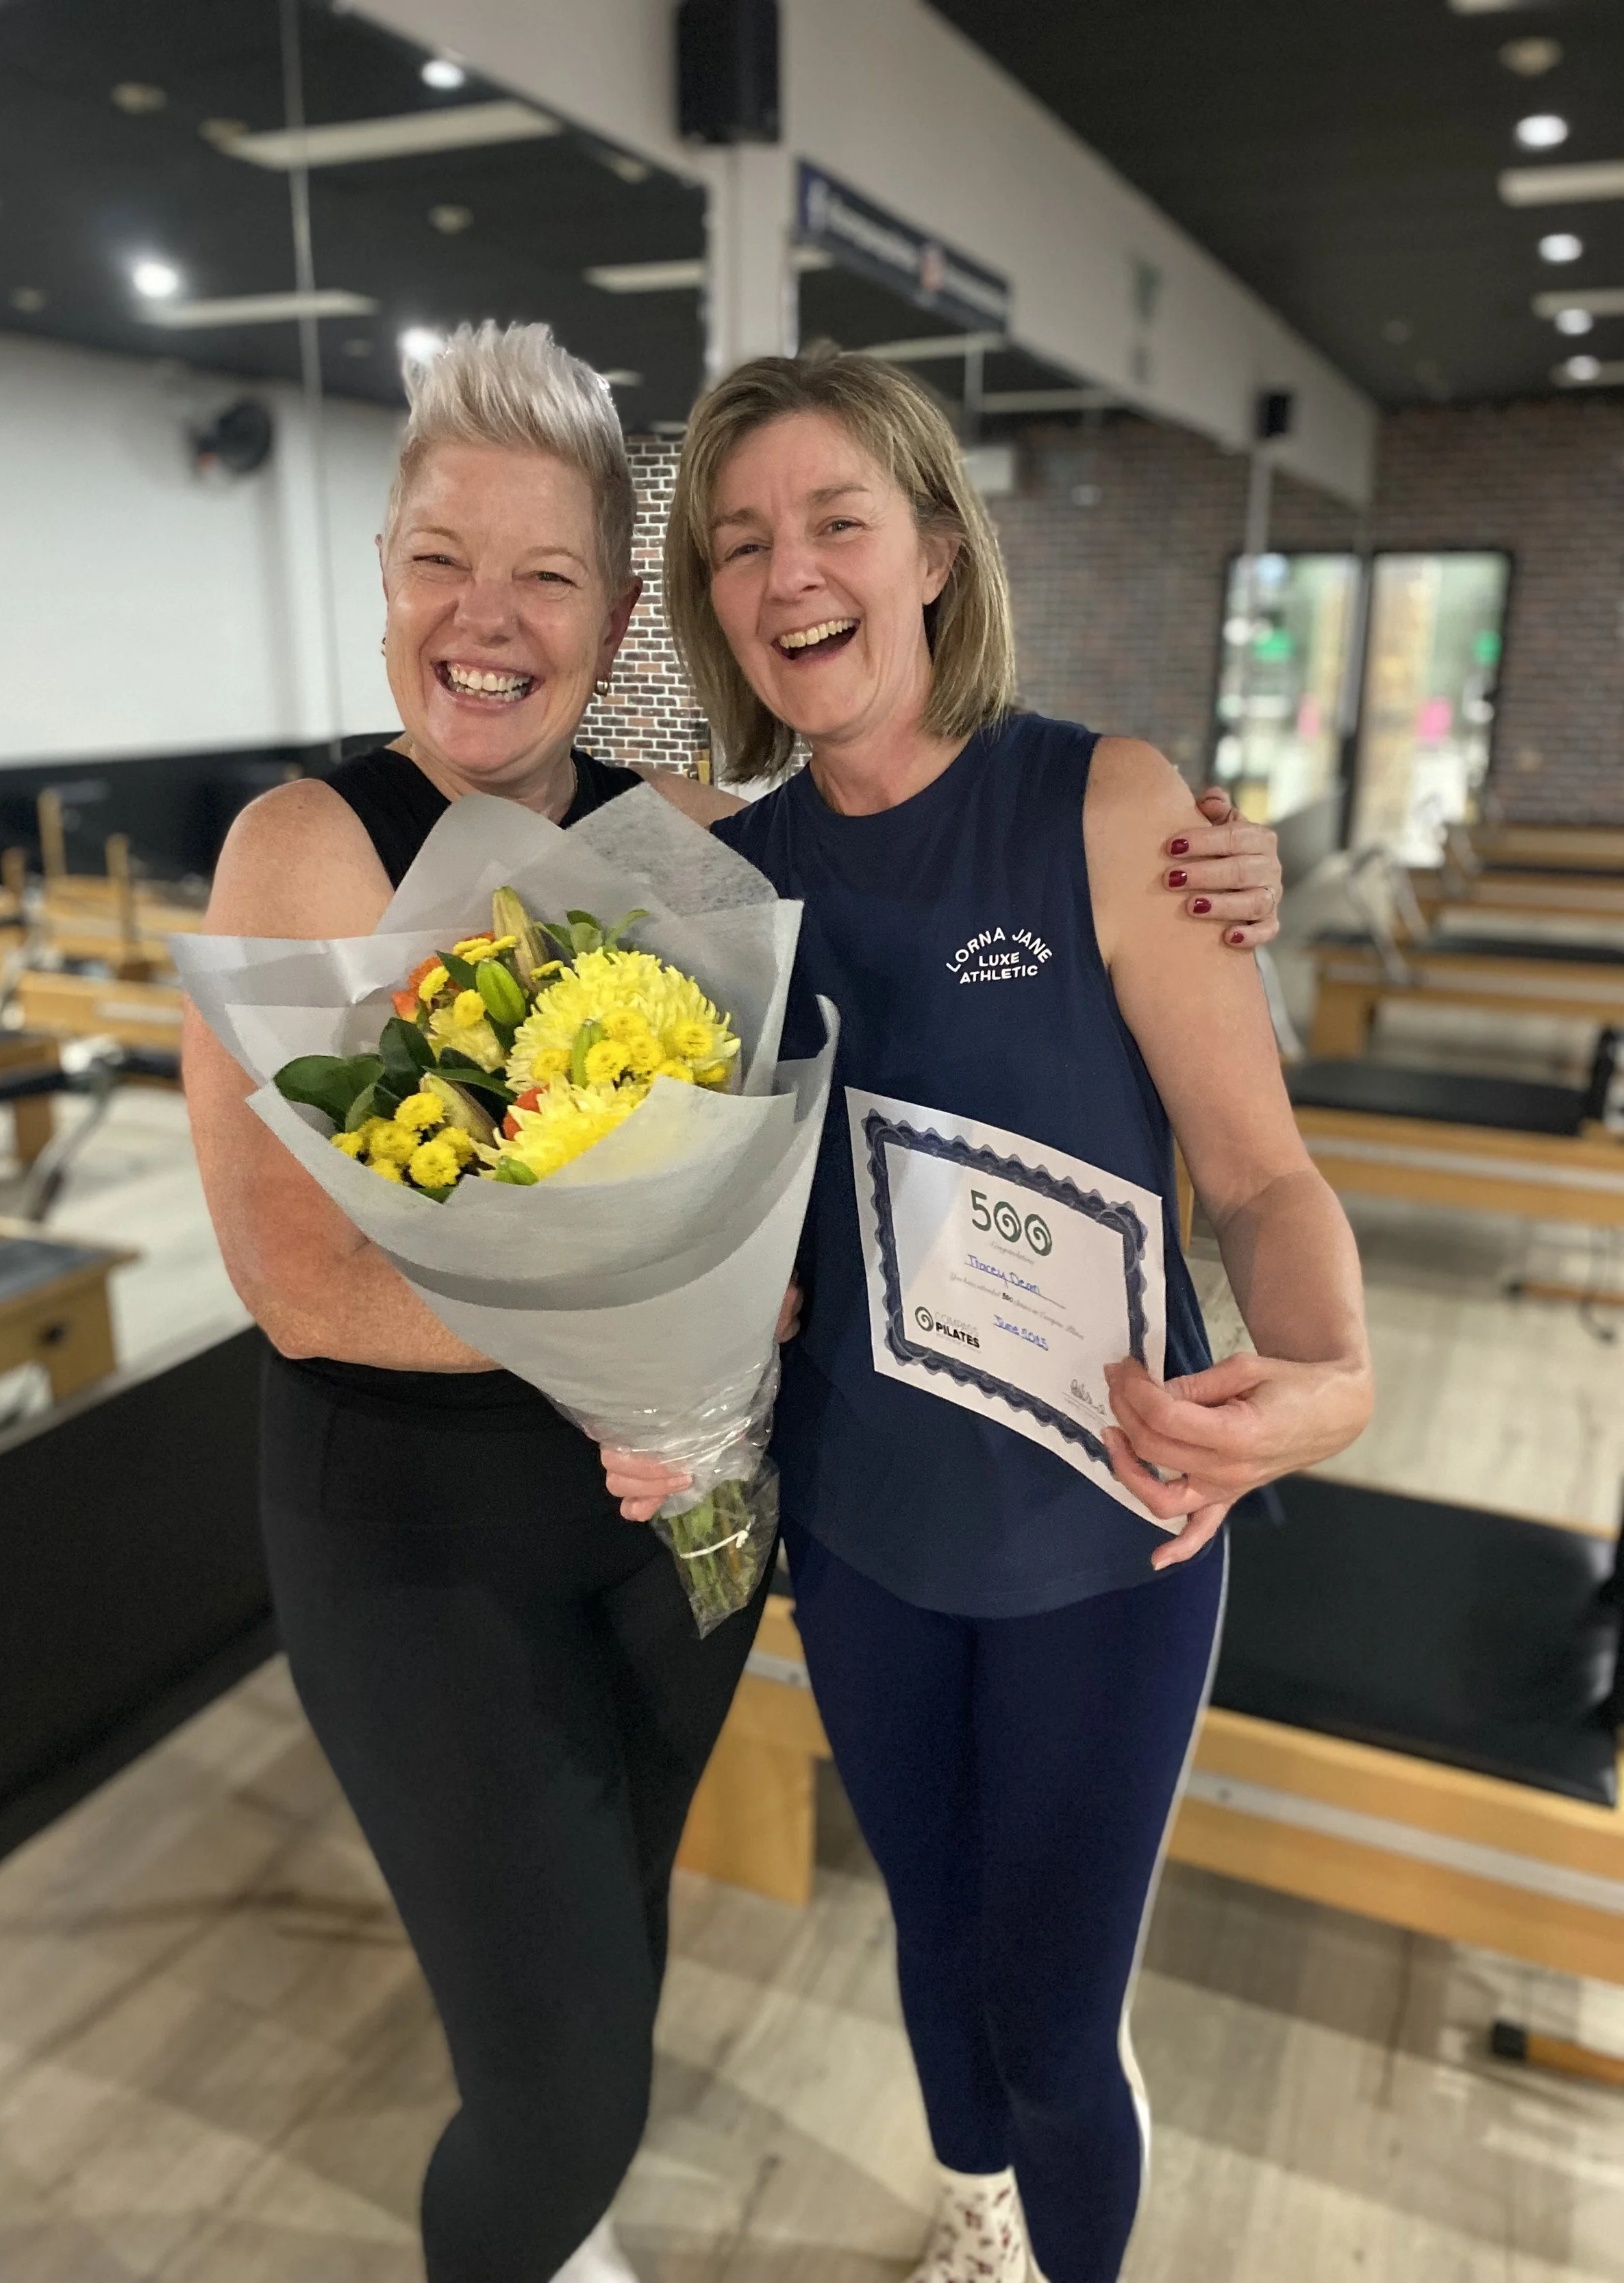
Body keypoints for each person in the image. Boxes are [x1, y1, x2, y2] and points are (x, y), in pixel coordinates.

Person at [184, 323, 1284, 2283]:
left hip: (677, 1536)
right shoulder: (305, 846)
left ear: (618, 616)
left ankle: (594, 2230)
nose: (485, 616)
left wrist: (1225, 871)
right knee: (559, 2077)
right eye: (439, 560)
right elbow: (298, 1283)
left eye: (545, 572)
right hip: (435, 1540)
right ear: (386, 580)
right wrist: (676, 1340)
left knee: (615, 1948)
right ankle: (554, 2215)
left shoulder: (691, 842)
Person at [604, 347, 1372, 2283]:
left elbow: (1261, 1179)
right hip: (863, 1537)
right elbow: (707, 1232)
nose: (788, 573)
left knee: (1052, 2017)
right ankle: (979, 2221)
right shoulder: (719, 886)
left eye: (835, 520)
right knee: (932, 1945)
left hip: (1107, 1534)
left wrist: (1330, 1370)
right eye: (739, 542)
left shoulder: (1108, 807)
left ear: (937, 549)